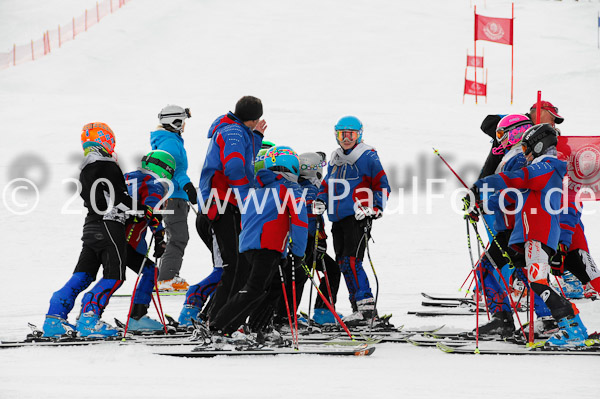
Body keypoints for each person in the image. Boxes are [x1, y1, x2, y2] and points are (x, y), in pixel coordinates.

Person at [472, 124, 589, 347]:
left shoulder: (547, 166)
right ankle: (574, 327)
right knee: (538, 282)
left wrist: (481, 185)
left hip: (538, 234)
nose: (524, 153)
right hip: (530, 234)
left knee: (539, 283)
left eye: (527, 147)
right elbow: (514, 191)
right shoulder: (541, 166)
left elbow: (519, 179)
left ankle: (571, 329)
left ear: (538, 144)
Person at [42, 123, 147, 338]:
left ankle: (54, 318)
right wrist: (140, 210)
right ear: (103, 140)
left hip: (91, 226)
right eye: (110, 140)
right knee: (115, 275)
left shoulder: (85, 168)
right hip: (109, 224)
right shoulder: (107, 165)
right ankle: (89, 319)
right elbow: (117, 197)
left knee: (84, 275)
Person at [207, 146, 308, 344]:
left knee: (274, 288)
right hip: (267, 246)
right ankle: (219, 327)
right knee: (255, 289)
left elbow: (247, 219)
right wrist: (298, 252)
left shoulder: (257, 189)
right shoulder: (290, 189)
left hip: (252, 246)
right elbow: (300, 221)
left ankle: (258, 327)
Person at [314, 116, 391, 326]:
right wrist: (321, 199)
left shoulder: (368, 156)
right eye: (342, 134)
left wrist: (375, 208)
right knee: (342, 263)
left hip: (358, 216)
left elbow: (382, 185)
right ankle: (357, 308)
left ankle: (366, 309)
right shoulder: (335, 159)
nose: (346, 139)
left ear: (359, 135)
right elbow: (327, 185)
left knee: (351, 261)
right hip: (337, 218)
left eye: (351, 134)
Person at [197, 96, 266, 324]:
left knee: (240, 265)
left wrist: (256, 136)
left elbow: (246, 158)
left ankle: (213, 317)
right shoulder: (233, 131)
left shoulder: (238, 130)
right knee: (235, 266)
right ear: (254, 118)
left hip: (224, 203)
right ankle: (215, 321)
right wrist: (247, 197)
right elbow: (235, 165)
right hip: (221, 203)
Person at [278, 152, 342, 325]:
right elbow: (310, 217)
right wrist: (318, 241)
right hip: (306, 242)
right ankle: (296, 315)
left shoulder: (296, 185)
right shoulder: (311, 188)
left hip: (296, 241)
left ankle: (287, 314)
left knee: (301, 275)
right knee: (307, 275)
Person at [123, 150, 177, 332]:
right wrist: (160, 236)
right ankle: (137, 317)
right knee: (151, 271)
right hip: (127, 239)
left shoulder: (128, 178)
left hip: (109, 234)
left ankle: (88, 313)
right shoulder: (153, 183)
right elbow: (151, 209)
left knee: (111, 276)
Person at [151, 105, 195, 291]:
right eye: (182, 121)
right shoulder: (170, 142)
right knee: (178, 237)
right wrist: (187, 186)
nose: (184, 125)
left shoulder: (171, 140)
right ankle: (166, 278)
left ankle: (166, 276)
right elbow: (174, 169)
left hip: (175, 196)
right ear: (174, 122)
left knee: (177, 236)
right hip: (174, 196)